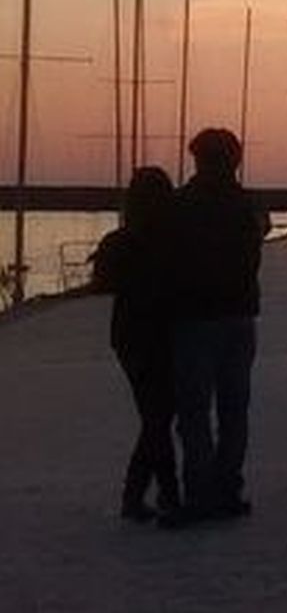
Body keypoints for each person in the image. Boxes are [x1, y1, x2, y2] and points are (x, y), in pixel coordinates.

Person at [163, 128, 266, 528]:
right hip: (239, 317)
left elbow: (167, 259)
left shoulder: (182, 204)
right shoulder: (246, 205)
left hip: (194, 319)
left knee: (193, 411)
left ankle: (199, 494)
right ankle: (227, 489)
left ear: (197, 159)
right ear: (235, 161)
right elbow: (256, 246)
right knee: (233, 409)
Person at [90, 167, 181, 522]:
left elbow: (102, 285)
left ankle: (144, 494)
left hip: (130, 336)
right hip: (160, 335)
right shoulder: (170, 239)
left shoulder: (121, 240)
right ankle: (164, 495)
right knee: (158, 417)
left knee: (154, 417)